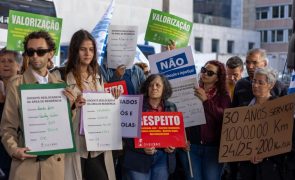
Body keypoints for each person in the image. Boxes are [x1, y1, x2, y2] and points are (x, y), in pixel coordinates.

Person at [0, 30, 69, 180]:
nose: (35, 56)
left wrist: (75, 106)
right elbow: (7, 127)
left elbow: (65, 126)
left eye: (41, 51)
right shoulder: (16, 85)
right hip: (26, 166)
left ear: (51, 53)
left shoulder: (61, 86)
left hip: (54, 167)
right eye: (31, 52)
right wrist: (14, 149)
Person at [63, 29, 120, 180]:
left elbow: (107, 109)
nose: (87, 53)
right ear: (75, 50)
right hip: (76, 145)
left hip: (98, 146)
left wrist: (113, 98)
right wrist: (74, 105)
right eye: (83, 49)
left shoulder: (99, 77)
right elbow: (55, 114)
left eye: (91, 49)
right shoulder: (61, 76)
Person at [237, 67, 295, 180]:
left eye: (260, 82)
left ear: (271, 85)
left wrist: (265, 153)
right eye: (254, 81)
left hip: (271, 169)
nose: (255, 85)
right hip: (247, 168)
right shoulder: (242, 108)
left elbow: (288, 141)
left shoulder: (282, 109)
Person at [178, 60, 231, 180]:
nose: (205, 74)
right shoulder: (191, 90)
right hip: (191, 146)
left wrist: (206, 101)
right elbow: (181, 115)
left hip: (213, 148)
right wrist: (182, 138)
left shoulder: (223, 96)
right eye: (203, 70)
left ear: (218, 78)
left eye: (210, 73)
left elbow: (225, 118)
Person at [123, 74, 177, 180]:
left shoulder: (171, 107)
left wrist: (173, 146)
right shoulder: (134, 105)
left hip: (163, 158)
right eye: (151, 85)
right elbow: (126, 134)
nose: (154, 88)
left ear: (164, 88)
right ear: (147, 87)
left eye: (158, 85)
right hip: (138, 158)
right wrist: (142, 148)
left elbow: (175, 134)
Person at [0, 48, 22, 180]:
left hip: (17, 146)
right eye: (2, 61)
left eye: (10, 61)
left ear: (19, 66)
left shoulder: (24, 87)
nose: (5, 64)